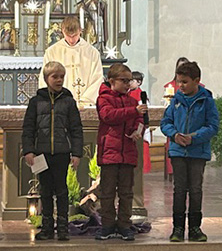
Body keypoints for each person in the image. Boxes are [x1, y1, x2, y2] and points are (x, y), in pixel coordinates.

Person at [22, 61, 83, 241]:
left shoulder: (68, 101)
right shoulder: (36, 102)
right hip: (42, 153)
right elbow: (28, 129)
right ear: (46, 78)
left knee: (62, 190)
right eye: (54, 76)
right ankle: (47, 227)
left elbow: (76, 129)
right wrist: (28, 151)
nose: (58, 80)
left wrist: (77, 153)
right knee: (46, 190)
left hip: (62, 152)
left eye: (61, 77)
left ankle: (63, 227)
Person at [160, 61, 219, 243]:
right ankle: (177, 228)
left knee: (195, 189)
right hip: (178, 150)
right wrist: (174, 134)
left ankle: (195, 228)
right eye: (179, 82)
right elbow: (166, 123)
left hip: (197, 151)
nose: (181, 86)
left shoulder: (207, 101)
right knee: (179, 190)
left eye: (185, 82)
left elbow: (212, 126)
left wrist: (194, 137)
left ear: (197, 81)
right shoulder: (176, 101)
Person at [95, 63, 147, 241]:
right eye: (124, 81)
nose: (127, 84)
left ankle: (124, 225)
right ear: (111, 81)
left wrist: (138, 130)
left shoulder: (133, 101)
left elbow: (139, 120)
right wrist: (133, 112)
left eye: (129, 81)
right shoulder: (104, 98)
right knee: (108, 192)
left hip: (127, 152)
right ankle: (107, 225)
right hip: (110, 152)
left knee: (126, 192)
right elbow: (108, 116)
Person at [40, 16, 103, 106]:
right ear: (62, 32)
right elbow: (45, 77)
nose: (71, 40)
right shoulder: (52, 52)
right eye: (68, 36)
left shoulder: (92, 52)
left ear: (80, 31)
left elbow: (97, 79)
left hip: (85, 104)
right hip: (60, 103)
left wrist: (85, 100)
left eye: (75, 36)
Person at [129, 71, 151, 173]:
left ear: (139, 82)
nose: (130, 83)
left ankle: (142, 169)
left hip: (139, 126)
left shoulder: (141, 95)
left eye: (132, 80)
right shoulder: (127, 93)